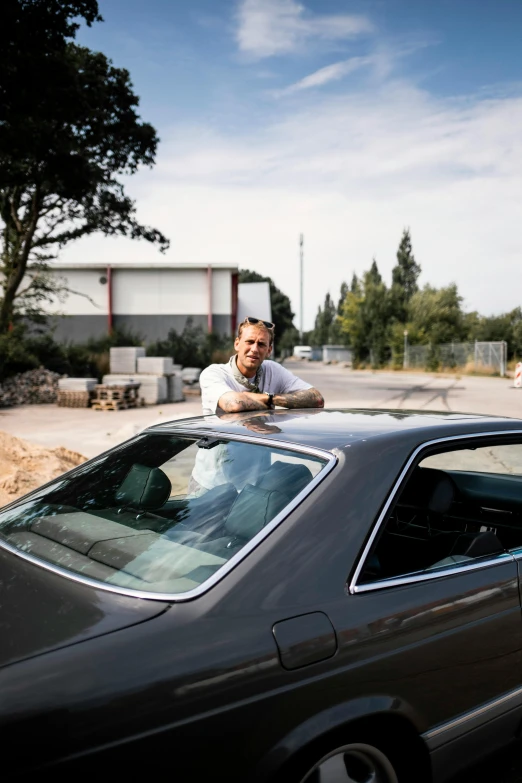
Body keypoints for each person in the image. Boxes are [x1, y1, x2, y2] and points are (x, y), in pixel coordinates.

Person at [199, 316, 324, 416]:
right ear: (237, 344)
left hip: (261, 445)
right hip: (222, 446)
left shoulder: (273, 370)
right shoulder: (213, 373)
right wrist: (272, 405)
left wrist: (268, 398)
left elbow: (317, 399)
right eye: (250, 342)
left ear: (269, 350)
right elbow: (233, 404)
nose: (254, 349)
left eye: (261, 344)